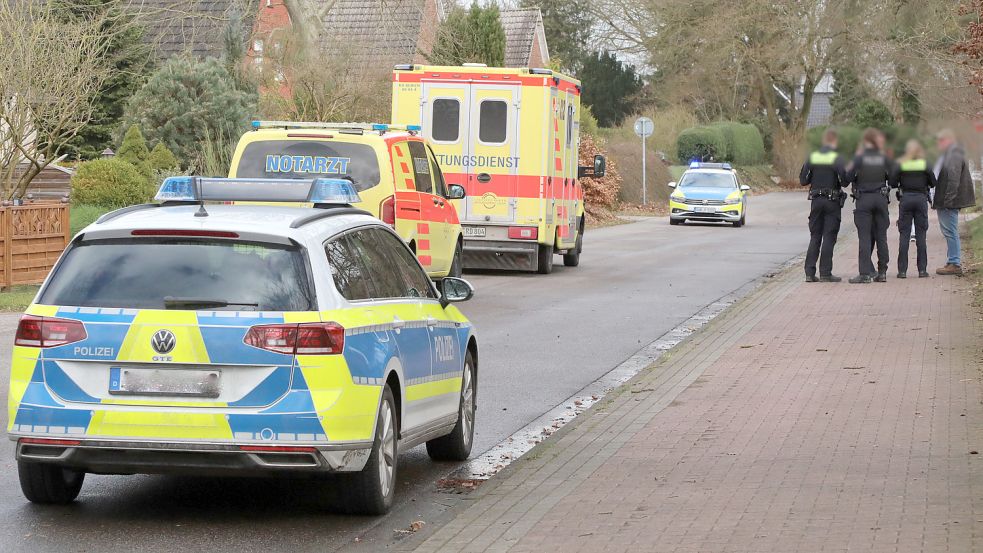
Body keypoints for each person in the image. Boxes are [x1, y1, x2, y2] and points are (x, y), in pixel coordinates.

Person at [799, 128, 848, 282]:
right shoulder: (837, 158)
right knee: (829, 236)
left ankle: (809, 273)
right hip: (832, 202)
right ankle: (825, 273)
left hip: (816, 201)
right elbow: (845, 181)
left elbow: (803, 180)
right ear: (835, 141)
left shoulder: (813, 157)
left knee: (815, 236)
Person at [847, 129, 892, 284]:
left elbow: (846, 179)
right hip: (880, 199)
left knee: (864, 237)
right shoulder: (884, 157)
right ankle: (882, 272)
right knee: (881, 236)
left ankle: (865, 274)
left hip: (864, 199)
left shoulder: (859, 158)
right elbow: (893, 178)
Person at [890, 139, 936, 278]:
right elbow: (933, 182)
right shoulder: (924, 163)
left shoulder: (901, 163)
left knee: (904, 235)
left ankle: (902, 271)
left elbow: (892, 183)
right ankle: (922, 270)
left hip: (906, 200)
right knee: (921, 236)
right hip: (921, 199)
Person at [932, 129, 977, 275]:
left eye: (940, 141)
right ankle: (952, 261)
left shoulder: (953, 154)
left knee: (950, 231)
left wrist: (948, 200)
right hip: (948, 200)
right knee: (949, 231)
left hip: (949, 201)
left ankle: (955, 263)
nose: (938, 144)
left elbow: (953, 178)